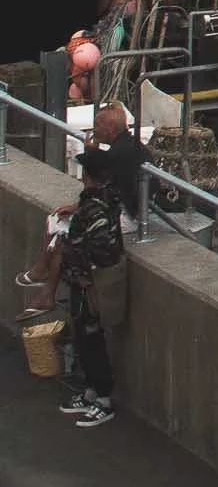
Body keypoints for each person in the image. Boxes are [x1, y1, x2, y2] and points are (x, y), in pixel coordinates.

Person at [56, 147, 123, 425]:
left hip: (88, 283)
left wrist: (84, 272)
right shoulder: (94, 201)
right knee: (83, 338)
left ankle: (104, 399)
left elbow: (103, 248)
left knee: (92, 339)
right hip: (79, 280)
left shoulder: (98, 207)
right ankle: (91, 391)